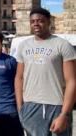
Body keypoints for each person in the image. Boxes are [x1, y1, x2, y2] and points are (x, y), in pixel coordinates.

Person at [15, 8, 76, 136]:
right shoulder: (23, 46)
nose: (36, 24)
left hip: (57, 105)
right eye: (32, 21)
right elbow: (19, 77)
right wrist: (20, 108)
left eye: (40, 21)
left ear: (49, 22)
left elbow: (71, 81)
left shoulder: (63, 45)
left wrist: (64, 113)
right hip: (30, 105)